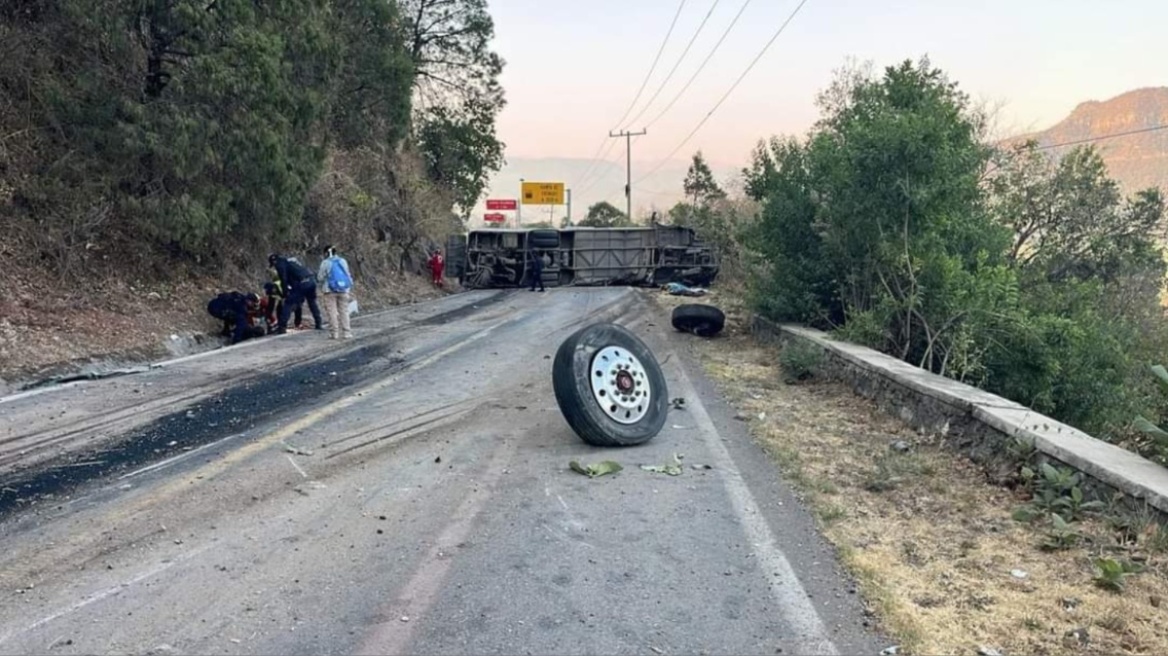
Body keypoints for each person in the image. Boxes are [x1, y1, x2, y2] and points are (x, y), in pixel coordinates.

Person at [268, 252, 323, 333]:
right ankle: (319, 323)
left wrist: (285, 293)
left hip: (302, 283)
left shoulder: (280, 264)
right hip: (311, 281)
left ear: (274, 262)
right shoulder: (291, 261)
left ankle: (282, 327)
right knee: (312, 302)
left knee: (288, 303)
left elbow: (284, 279)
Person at [317, 245, 354, 340]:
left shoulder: (325, 263)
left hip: (329, 291)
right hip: (344, 290)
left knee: (332, 312)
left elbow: (320, 278)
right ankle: (347, 333)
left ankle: (334, 333)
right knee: (344, 311)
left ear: (326, 253)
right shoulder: (343, 261)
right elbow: (347, 274)